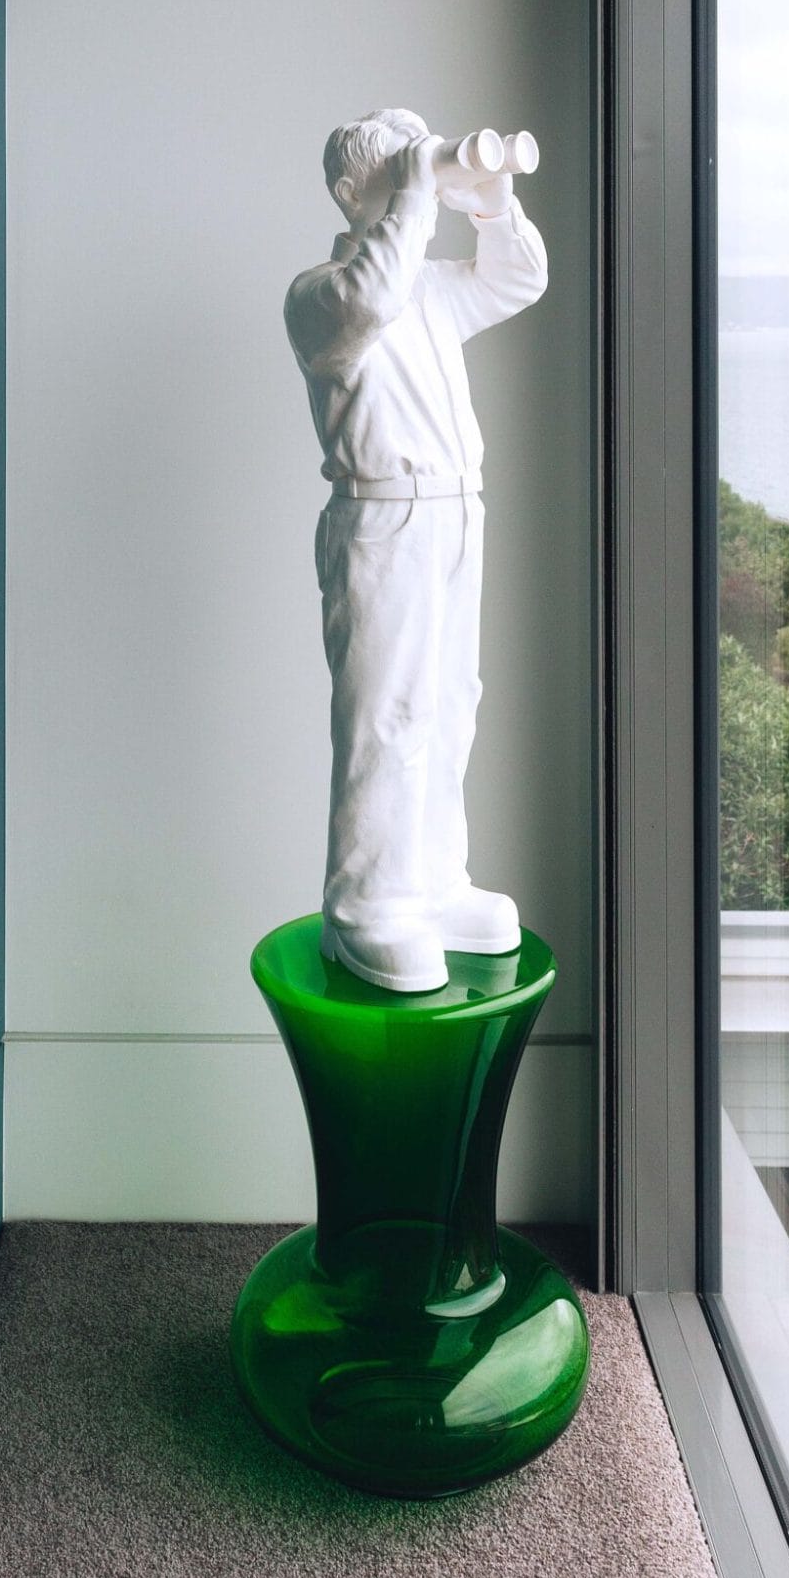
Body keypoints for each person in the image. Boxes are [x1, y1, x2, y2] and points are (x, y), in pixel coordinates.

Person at [284, 107, 547, 991]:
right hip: (383, 519)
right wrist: (416, 191)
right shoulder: (320, 295)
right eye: (399, 168)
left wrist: (491, 199)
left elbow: (518, 282)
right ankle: (367, 907)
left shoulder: (429, 285)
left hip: (455, 512)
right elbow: (374, 295)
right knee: (385, 716)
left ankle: (433, 882)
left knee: (449, 706)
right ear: (358, 190)